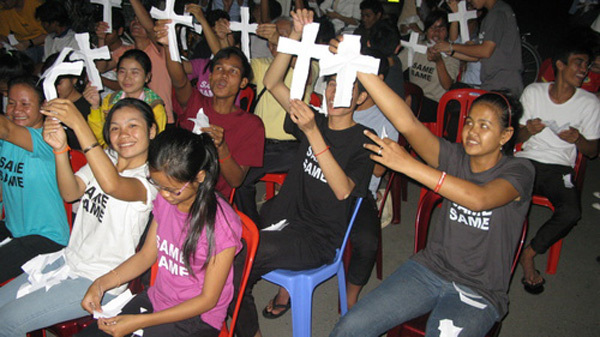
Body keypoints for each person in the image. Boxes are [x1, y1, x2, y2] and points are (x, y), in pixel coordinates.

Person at [330, 42, 535, 336]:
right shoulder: (455, 157)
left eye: (484, 126)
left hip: (479, 290)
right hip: (429, 269)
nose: (472, 131)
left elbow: (480, 199)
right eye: (469, 122)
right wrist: (360, 68)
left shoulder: (520, 171)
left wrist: (408, 165)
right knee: (350, 326)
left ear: (506, 135)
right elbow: (407, 122)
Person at [234, 9, 374, 336]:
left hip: (318, 237)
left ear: (362, 97)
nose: (336, 93)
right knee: (227, 243)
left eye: (348, 89)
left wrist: (312, 133)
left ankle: (245, 328)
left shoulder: (363, 140)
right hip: (285, 214)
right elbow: (272, 82)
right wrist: (294, 37)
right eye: (332, 84)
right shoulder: (315, 118)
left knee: (242, 259)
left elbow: (343, 190)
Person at [0, 97, 158, 336]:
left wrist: (79, 125)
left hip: (99, 279)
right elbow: (70, 191)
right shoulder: (107, 159)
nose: (123, 134)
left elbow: (112, 185)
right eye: (115, 127)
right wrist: (60, 149)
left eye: (132, 125)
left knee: (7, 322)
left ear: (152, 130)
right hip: (67, 261)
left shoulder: (150, 180)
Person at [76, 128, 243, 337]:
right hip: (158, 299)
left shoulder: (221, 224)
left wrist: (141, 321)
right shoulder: (166, 200)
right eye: (158, 185)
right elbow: (146, 255)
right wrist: (100, 284)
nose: (163, 194)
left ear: (200, 177)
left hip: (197, 317)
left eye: (172, 189)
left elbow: (208, 300)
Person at [516, 43, 600, 294]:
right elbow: (515, 137)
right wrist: (528, 130)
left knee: (571, 211)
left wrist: (578, 140)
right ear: (560, 65)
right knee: (499, 193)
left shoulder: (590, 103)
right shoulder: (534, 92)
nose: (584, 70)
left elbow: (593, 151)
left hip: (559, 167)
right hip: (527, 159)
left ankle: (528, 254)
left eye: (587, 65)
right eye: (579, 62)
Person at [154, 19, 265, 200]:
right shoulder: (195, 100)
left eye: (233, 71)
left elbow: (236, 180)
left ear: (243, 82)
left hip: (210, 199)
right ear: (210, 76)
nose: (224, 75)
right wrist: (168, 46)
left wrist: (221, 147)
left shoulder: (252, 125)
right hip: (172, 188)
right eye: (219, 68)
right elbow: (179, 80)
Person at [0, 76, 69, 284]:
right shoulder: (5, 143)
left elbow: (6, 129)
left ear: (43, 106)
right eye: (11, 103)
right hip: (13, 228)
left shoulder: (46, 139)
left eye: (25, 104)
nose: (16, 110)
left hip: (46, 239)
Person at [433, 0, 523, 97]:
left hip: (503, 83)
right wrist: (450, 51)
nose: (469, 1)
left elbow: (485, 51)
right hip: (492, 83)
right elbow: (476, 57)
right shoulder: (491, 16)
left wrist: (451, 46)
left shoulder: (498, 13)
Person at [85, 49, 167, 148]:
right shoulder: (110, 100)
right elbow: (99, 139)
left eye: (134, 73)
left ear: (147, 77)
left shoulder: (154, 107)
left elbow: (155, 144)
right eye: (122, 72)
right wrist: (95, 107)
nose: (127, 78)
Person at [399, 10, 460, 123]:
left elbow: (447, 85)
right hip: (413, 98)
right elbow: (398, 65)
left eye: (441, 29)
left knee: (410, 101)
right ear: (426, 31)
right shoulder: (417, 47)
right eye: (432, 28)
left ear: (447, 32)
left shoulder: (451, 54)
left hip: (435, 104)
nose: (436, 33)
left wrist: (439, 62)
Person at [41, 52, 91, 150]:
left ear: (74, 79)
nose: (54, 88)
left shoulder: (88, 107)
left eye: (58, 83)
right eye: (49, 83)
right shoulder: (47, 106)